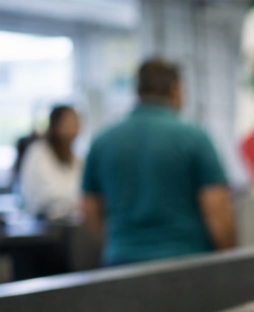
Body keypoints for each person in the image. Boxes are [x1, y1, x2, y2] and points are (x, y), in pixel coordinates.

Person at [81, 58, 236, 266]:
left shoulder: (102, 141)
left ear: (138, 90)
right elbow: (217, 208)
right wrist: (229, 259)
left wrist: (116, 244)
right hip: (187, 262)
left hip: (120, 263)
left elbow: (89, 208)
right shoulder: (194, 138)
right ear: (175, 90)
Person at [19, 105, 83, 219]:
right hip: (42, 225)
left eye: (77, 123)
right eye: (69, 123)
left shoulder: (75, 157)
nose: (74, 129)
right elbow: (49, 194)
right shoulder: (39, 152)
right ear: (55, 124)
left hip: (69, 223)